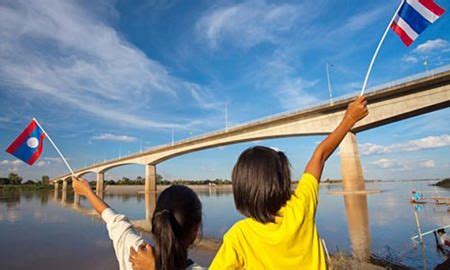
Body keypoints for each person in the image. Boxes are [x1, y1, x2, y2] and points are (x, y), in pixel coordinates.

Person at [207, 96, 368, 269]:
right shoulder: (301, 207)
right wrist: (349, 119)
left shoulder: (238, 235)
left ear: (241, 190)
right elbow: (319, 156)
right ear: (282, 180)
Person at [72, 178, 204, 270]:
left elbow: (114, 219)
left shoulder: (136, 255)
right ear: (196, 229)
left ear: (155, 221)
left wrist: (87, 192)